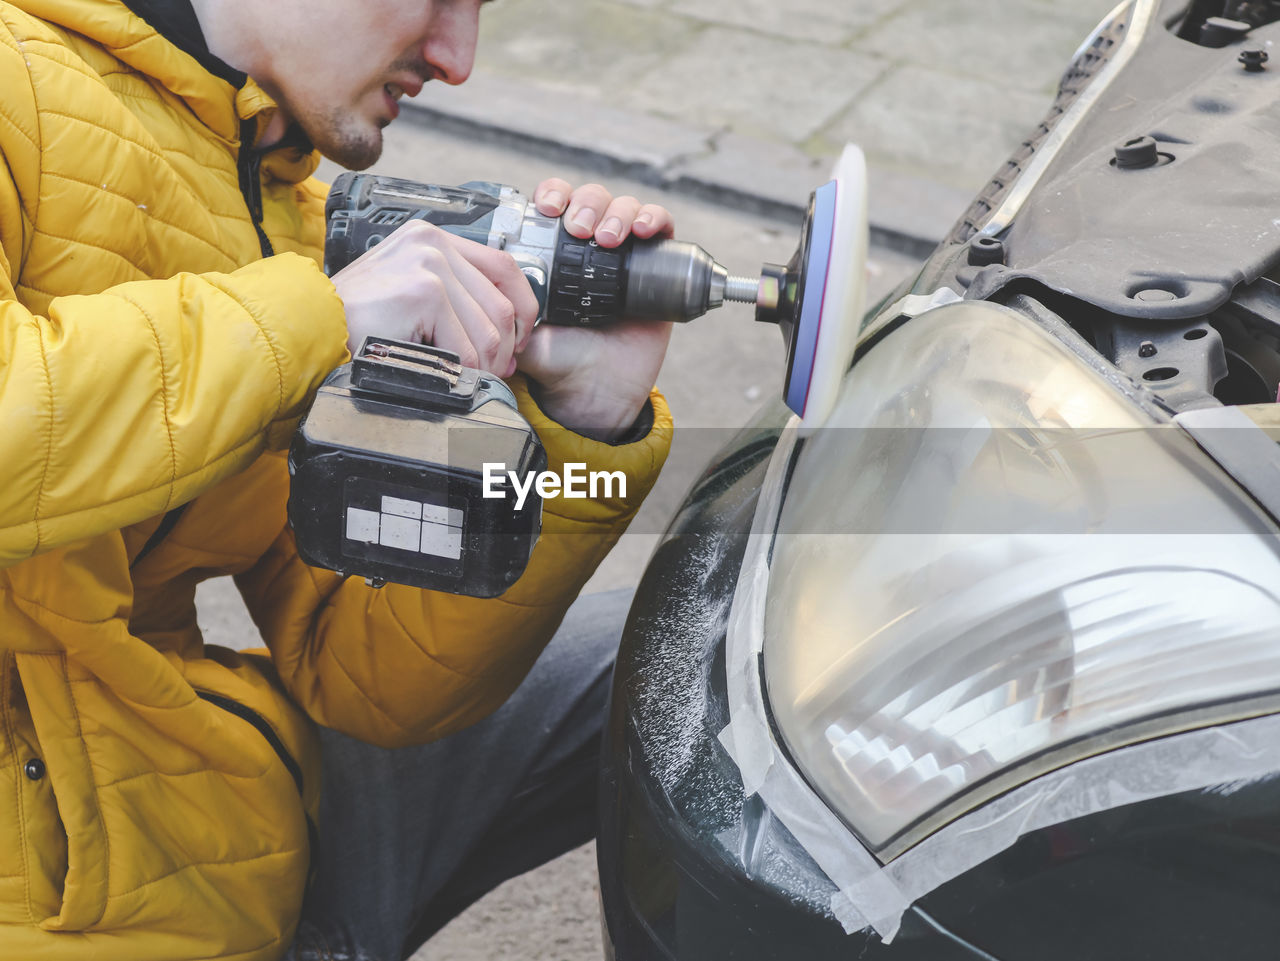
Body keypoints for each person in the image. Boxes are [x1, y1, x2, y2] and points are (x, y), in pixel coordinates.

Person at [0, 1, 674, 959]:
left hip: (223, 838)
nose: (457, 58)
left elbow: (368, 677)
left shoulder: (291, 223)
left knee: (714, 628)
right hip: (69, 911)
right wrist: (318, 319)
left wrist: (576, 426)